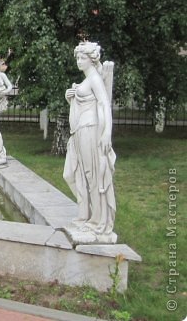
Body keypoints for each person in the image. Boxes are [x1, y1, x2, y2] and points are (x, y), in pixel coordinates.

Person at [63, 41, 117, 240]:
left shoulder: (94, 78)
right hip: (78, 131)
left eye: (82, 58)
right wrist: (71, 97)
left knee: (91, 175)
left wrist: (106, 133)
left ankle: (96, 221)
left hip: (90, 129)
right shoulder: (86, 80)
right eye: (77, 57)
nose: (78, 61)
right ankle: (85, 215)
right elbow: (85, 101)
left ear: (91, 59)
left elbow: (104, 105)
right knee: (72, 173)